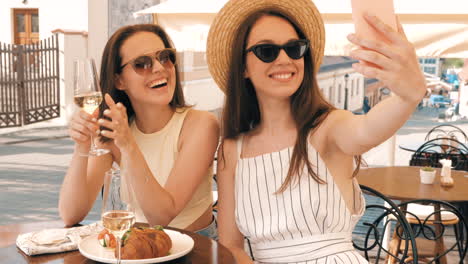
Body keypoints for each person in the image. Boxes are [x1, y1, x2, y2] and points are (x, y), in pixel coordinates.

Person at [206, 0, 425, 263]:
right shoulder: (232, 150)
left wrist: (407, 96)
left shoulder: (327, 127)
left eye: (294, 48)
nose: (285, 59)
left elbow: (367, 130)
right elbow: (232, 246)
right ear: (242, 67)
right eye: (267, 51)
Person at [59, 24, 219, 238]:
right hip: (139, 247)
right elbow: (71, 214)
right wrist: (82, 146)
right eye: (142, 63)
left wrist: (128, 146)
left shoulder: (201, 125)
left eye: (164, 57)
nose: (159, 68)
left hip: (196, 251)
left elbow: (162, 216)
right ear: (119, 80)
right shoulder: (118, 131)